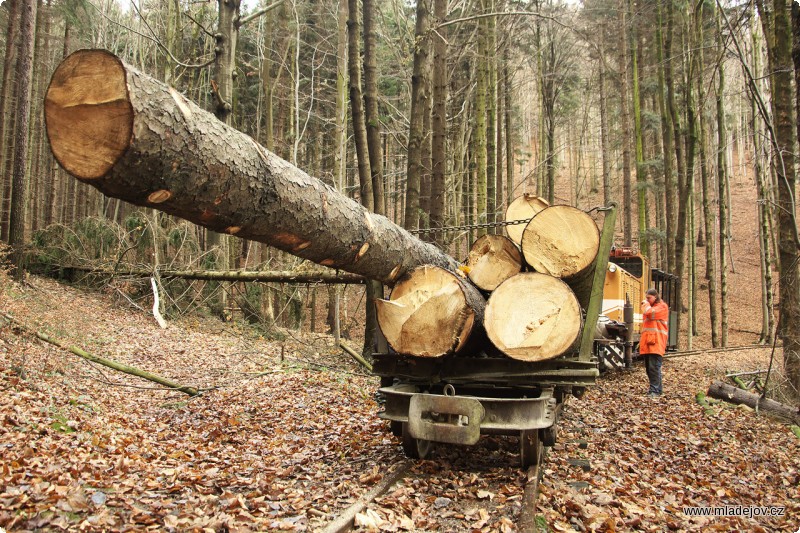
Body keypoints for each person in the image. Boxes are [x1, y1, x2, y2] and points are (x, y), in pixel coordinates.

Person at [640, 288, 669, 397]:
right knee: (650, 368)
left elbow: (649, 313)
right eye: (646, 298)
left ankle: (655, 391)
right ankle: (657, 389)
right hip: (649, 342)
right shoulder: (652, 307)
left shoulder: (662, 307)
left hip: (656, 342)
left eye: (649, 298)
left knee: (654, 368)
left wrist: (646, 304)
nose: (647, 300)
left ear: (655, 297)